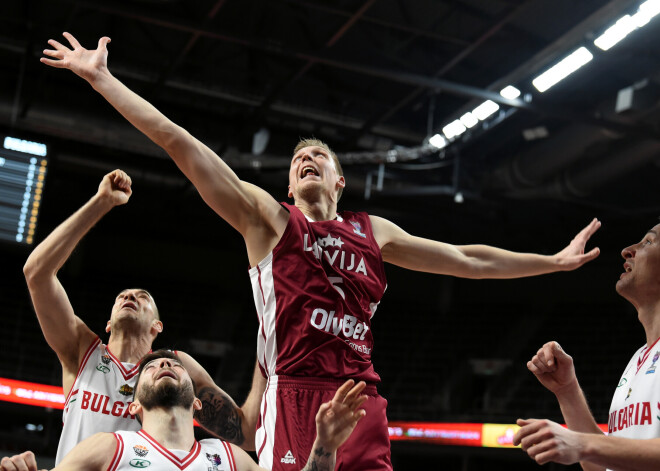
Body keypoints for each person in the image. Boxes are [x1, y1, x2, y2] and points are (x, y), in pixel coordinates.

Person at [40, 32, 602, 471]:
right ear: (289, 187)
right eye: (296, 159)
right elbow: (180, 143)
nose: (305, 158)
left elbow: (467, 258)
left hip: (362, 397)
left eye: (319, 156)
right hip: (295, 395)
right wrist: (102, 80)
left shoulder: (373, 231)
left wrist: (550, 263)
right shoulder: (269, 221)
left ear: (339, 181)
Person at [23, 169, 256, 464]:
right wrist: (101, 202)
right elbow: (37, 274)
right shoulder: (82, 351)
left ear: (157, 326)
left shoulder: (175, 368)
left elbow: (242, 432)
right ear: (108, 323)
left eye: (142, 297)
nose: (130, 297)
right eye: (122, 296)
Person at [0, 350, 367, 471]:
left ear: (197, 403)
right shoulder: (109, 448)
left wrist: (325, 445)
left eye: (174, 366)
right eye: (150, 368)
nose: (163, 366)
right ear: (135, 404)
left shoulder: (228, 456)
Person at [514, 223, 660, 470]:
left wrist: (582, 444)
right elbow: (601, 466)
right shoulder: (639, 358)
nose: (627, 250)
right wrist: (568, 391)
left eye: (648, 242)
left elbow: (592, 450)